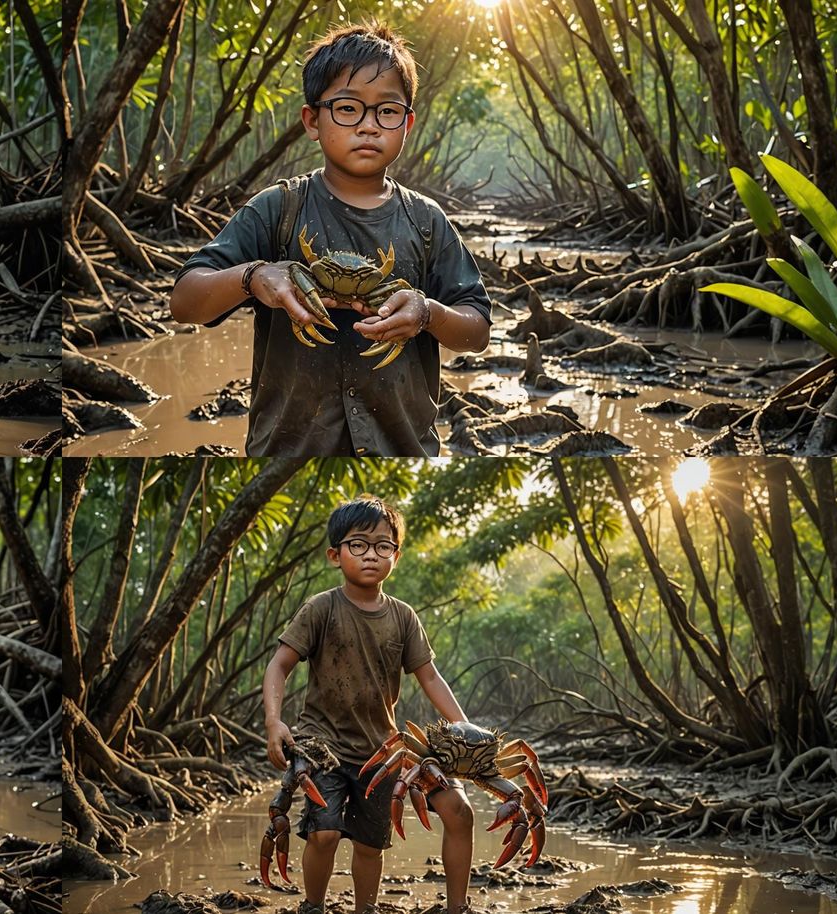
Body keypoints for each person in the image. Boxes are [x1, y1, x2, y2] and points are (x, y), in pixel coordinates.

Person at [169, 23, 492, 456]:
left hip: (403, 448)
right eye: (347, 108)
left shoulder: (426, 221)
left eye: (387, 111)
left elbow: (477, 329)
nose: (368, 126)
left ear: (407, 123)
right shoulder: (278, 210)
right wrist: (254, 276)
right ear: (312, 120)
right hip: (287, 446)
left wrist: (426, 312)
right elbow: (185, 301)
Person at [262, 495, 477, 914]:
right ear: (335, 554)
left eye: (383, 546)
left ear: (396, 555)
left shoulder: (403, 617)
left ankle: (371, 910)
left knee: (369, 843)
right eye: (358, 545)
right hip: (320, 742)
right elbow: (279, 665)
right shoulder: (321, 608)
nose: (371, 555)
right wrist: (274, 722)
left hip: (381, 750)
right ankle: (313, 906)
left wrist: (465, 729)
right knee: (323, 834)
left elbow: (429, 676)